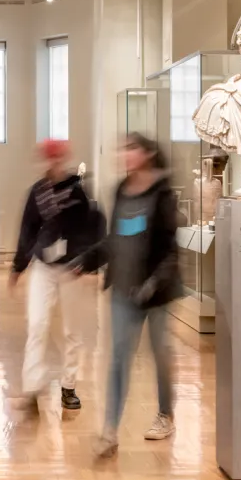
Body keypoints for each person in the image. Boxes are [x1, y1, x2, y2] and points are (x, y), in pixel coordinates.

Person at [85, 134, 181, 456]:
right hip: (124, 292)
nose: (124, 155)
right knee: (118, 359)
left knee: (160, 355)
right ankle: (110, 431)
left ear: (147, 154)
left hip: (154, 294)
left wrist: (152, 285)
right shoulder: (121, 190)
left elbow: (170, 251)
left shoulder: (162, 194)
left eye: (131, 149)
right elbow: (115, 239)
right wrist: (86, 260)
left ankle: (166, 414)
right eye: (122, 149)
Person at [11, 139, 103, 412]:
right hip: (43, 266)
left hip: (70, 268)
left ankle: (69, 385)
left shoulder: (77, 192)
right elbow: (28, 230)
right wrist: (18, 266)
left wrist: (87, 265)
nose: (52, 163)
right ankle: (32, 387)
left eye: (56, 158)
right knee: (37, 324)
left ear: (63, 159)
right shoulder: (37, 192)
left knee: (71, 331)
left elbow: (90, 230)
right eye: (48, 158)